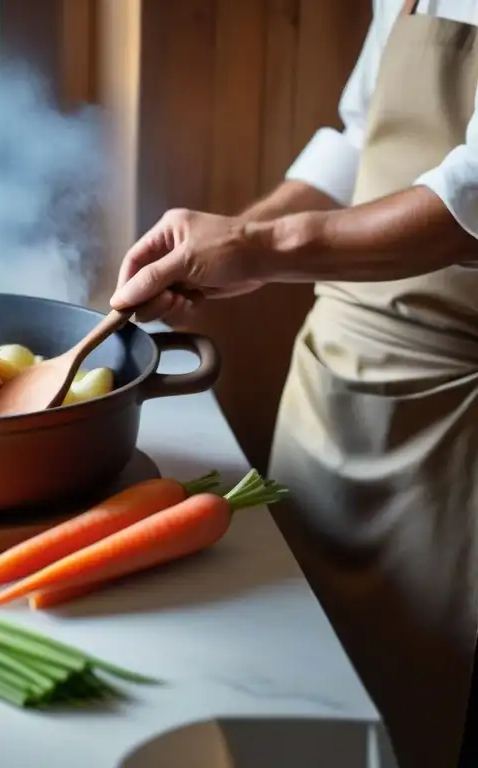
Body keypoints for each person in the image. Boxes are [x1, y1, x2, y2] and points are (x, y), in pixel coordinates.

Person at [111, 1, 478, 766]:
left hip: (449, 407)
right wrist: (231, 235)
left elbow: (463, 204)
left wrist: (256, 245)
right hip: (330, 375)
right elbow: (357, 137)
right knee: (287, 667)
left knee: (416, 689)